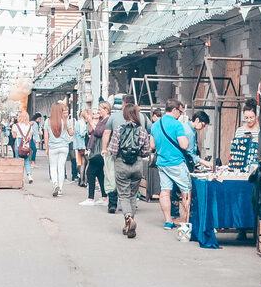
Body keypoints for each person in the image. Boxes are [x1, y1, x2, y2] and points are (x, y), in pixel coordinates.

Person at [150, 100, 193, 241]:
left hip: (162, 163)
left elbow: (152, 146)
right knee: (186, 190)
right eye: (180, 111)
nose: (180, 115)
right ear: (174, 110)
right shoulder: (177, 125)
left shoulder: (155, 125)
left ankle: (168, 221)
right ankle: (186, 223)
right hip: (176, 162)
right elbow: (184, 145)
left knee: (165, 191)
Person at [113, 101, 151, 239]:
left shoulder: (119, 129)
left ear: (124, 115)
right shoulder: (142, 130)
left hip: (121, 164)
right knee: (133, 195)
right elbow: (147, 151)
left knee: (123, 195)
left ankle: (128, 217)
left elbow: (113, 149)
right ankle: (128, 224)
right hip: (137, 165)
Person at [80, 102, 112, 206]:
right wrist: (90, 121)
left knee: (90, 172)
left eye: (100, 109)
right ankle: (104, 197)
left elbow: (99, 132)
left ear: (106, 110)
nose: (98, 111)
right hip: (96, 149)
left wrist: (90, 121)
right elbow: (90, 131)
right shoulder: (101, 120)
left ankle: (91, 198)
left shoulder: (107, 120)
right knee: (99, 173)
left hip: (100, 150)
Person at [43, 102, 73, 197]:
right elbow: (71, 133)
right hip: (64, 147)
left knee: (53, 166)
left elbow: (46, 136)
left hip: (53, 147)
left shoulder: (48, 121)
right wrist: (70, 125)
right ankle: (60, 189)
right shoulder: (65, 121)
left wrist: (47, 148)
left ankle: (55, 183)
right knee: (61, 167)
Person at [229, 99, 261, 173]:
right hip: (240, 166)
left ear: (256, 116)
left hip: (256, 167)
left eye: (251, 117)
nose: (249, 120)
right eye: (246, 118)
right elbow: (235, 149)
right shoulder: (239, 131)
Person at [13, 110, 36, 183]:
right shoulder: (29, 126)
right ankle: (29, 176)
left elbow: (14, 136)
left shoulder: (15, 126)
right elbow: (30, 136)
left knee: (18, 160)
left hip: (18, 143)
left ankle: (21, 177)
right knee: (26, 160)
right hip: (26, 144)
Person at [74, 108, 91, 185]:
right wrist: (88, 132)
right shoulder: (82, 123)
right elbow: (82, 133)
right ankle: (86, 181)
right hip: (83, 145)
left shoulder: (78, 122)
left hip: (79, 145)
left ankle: (81, 180)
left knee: (83, 162)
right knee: (88, 162)